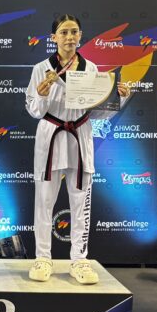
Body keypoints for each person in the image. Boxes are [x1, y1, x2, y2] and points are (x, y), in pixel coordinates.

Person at [25, 14, 130, 285]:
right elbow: (34, 111)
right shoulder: (40, 68)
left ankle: (79, 260)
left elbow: (98, 113)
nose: (69, 37)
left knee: (80, 201)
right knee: (44, 201)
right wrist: (42, 94)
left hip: (79, 135)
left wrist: (118, 98)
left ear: (80, 36)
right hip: (50, 135)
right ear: (54, 38)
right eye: (63, 32)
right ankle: (42, 258)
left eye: (74, 32)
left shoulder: (91, 69)